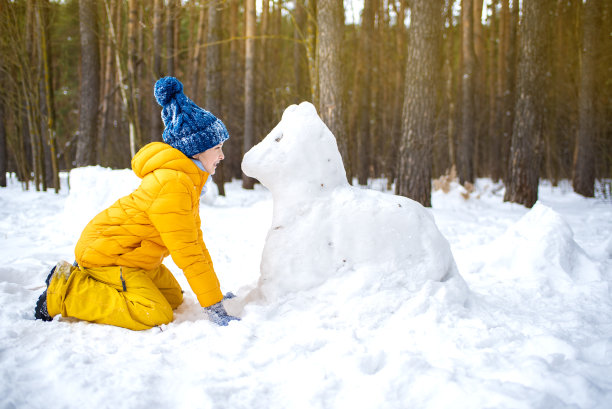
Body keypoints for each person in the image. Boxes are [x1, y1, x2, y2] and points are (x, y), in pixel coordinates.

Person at [33, 77, 239, 330]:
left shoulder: (187, 180)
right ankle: (65, 289)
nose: (222, 155)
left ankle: (95, 281)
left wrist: (214, 296)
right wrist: (213, 306)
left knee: (173, 298)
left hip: (134, 257)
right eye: (217, 147)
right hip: (108, 255)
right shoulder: (172, 184)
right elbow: (188, 253)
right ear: (196, 151)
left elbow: (195, 241)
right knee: (154, 312)